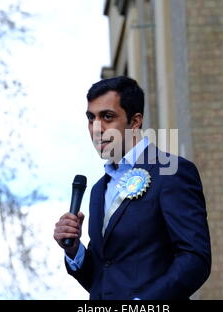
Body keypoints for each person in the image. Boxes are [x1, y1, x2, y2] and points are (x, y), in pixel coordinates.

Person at [53, 76, 211, 300]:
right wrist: (73, 249)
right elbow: (105, 278)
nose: (96, 129)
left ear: (135, 121)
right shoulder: (99, 190)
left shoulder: (171, 172)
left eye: (107, 117)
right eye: (91, 119)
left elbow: (195, 259)